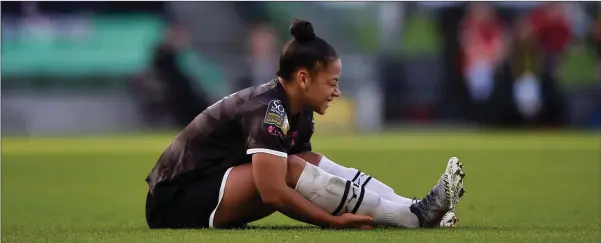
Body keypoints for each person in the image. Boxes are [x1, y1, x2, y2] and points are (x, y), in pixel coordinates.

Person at [144, 19, 466, 230]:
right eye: (332, 83)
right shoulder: (270, 108)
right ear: (303, 78)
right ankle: (411, 218)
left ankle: (412, 207)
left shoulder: (298, 109)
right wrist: (331, 222)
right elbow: (273, 191)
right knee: (289, 169)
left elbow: (304, 174)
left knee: (305, 162)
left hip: (210, 184)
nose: (337, 92)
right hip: (173, 201)